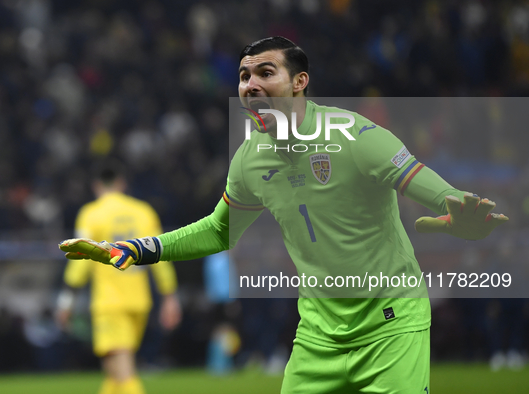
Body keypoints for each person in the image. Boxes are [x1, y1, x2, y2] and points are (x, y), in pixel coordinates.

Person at [60, 37, 508, 393]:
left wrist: (455, 207)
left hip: (390, 326)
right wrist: (141, 250)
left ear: (299, 82)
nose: (250, 85)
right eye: (243, 76)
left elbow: (425, 184)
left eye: (265, 73)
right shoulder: (250, 161)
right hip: (318, 335)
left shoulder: (356, 136)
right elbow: (219, 231)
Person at [56, 162, 181, 394]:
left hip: (109, 304)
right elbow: (162, 256)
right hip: (139, 302)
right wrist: (170, 296)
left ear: (96, 186)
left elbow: (80, 262)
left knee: (123, 374)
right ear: (121, 183)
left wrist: (66, 302)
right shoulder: (144, 212)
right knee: (114, 372)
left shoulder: (90, 214)